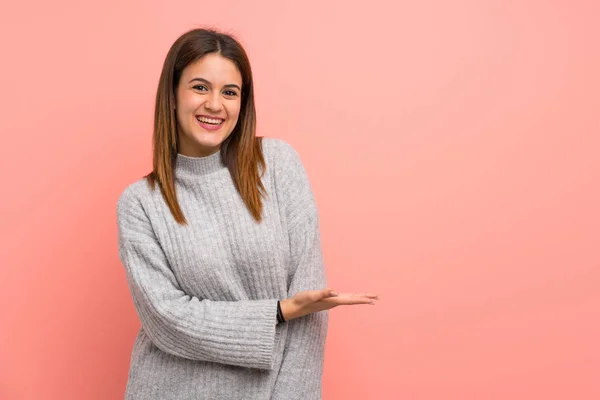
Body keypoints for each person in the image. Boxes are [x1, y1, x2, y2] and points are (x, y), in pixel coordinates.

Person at [116, 28, 379, 400]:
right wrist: (278, 311)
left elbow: (311, 306)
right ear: (172, 96)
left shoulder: (277, 164)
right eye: (200, 87)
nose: (215, 105)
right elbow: (166, 320)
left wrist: (289, 319)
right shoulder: (140, 203)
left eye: (229, 92)